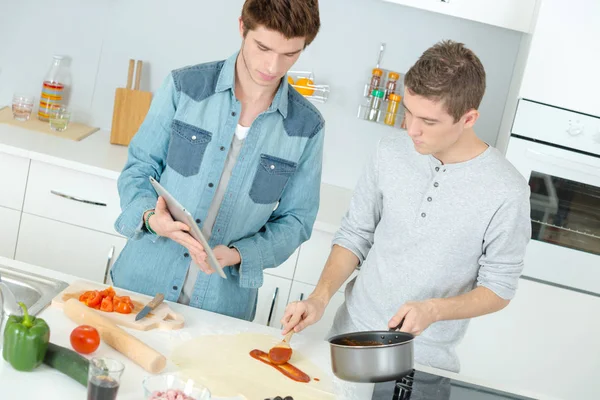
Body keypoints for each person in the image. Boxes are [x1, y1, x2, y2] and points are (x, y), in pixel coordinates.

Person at [281, 40, 532, 372]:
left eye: (428, 121)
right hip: (347, 337)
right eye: (408, 111)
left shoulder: (507, 191)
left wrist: (433, 310)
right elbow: (356, 234)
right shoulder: (390, 151)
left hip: (422, 363)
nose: (410, 129)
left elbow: (499, 288)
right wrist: (319, 297)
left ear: (468, 118)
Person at [110, 0, 324, 321]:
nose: (272, 66)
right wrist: (153, 220)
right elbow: (140, 168)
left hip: (222, 310)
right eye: (263, 47)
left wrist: (240, 254)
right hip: (138, 285)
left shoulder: (306, 127)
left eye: (289, 54)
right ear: (242, 27)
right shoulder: (184, 88)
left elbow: (296, 221)